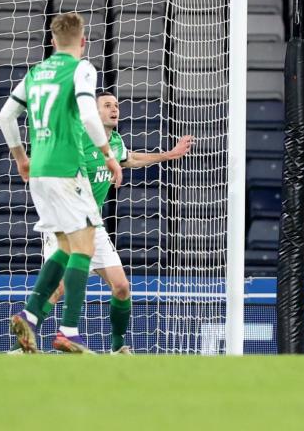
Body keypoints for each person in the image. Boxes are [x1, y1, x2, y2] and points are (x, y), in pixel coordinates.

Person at [20, 92, 194, 354]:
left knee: (122, 287)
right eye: (107, 105)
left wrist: (169, 155)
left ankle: (117, 347)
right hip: (67, 224)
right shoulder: (78, 136)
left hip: (94, 225)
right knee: (57, 290)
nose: (115, 109)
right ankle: (21, 346)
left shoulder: (113, 141)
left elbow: (130, 158)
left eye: (116, 106)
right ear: (93, 111)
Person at [0, 12, 123, 354]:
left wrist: (20, 157)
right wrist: (108, 154)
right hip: (67, 168)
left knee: (67, 247)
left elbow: (5, 116)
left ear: (53, 41)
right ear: (82, 41)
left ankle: (31, 315)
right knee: (83, 247)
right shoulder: (81, 68)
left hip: (38, 171)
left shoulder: (36, 72)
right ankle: (68, 331)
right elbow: (85, 112)